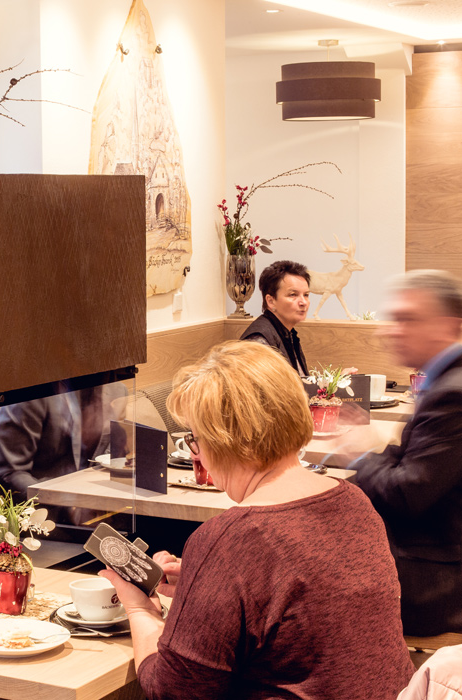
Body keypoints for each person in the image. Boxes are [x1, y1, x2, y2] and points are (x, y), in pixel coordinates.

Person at [101, 341, 413, 699]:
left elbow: (175, 693)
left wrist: (140, 609)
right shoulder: (354, 501)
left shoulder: (232, 538)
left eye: (195, 439)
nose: (194, 454)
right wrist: (209, 586)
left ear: (224, 440)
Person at [349, 270, 462, 637]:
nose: (389, 330)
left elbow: (406, 492)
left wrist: (363, 452)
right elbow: (400, 461)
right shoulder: (444, 380)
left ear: (447, 327)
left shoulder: (453, 393)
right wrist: (380, 457)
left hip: (438, 585)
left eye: (406, 319)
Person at [0, 383, 126, 501]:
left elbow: (118, 458)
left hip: (104, 505)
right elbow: (9, 475)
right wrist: (68, 501)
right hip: (45, 514)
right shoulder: (29, 396)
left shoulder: (117, 390)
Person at [240, 260, 310, 375]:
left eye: (306, 295)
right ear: (271, 301)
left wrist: (338, 381)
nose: (303, 302)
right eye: (293, 295)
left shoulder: (288, 333)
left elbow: (301, 384)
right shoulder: (258, 341)